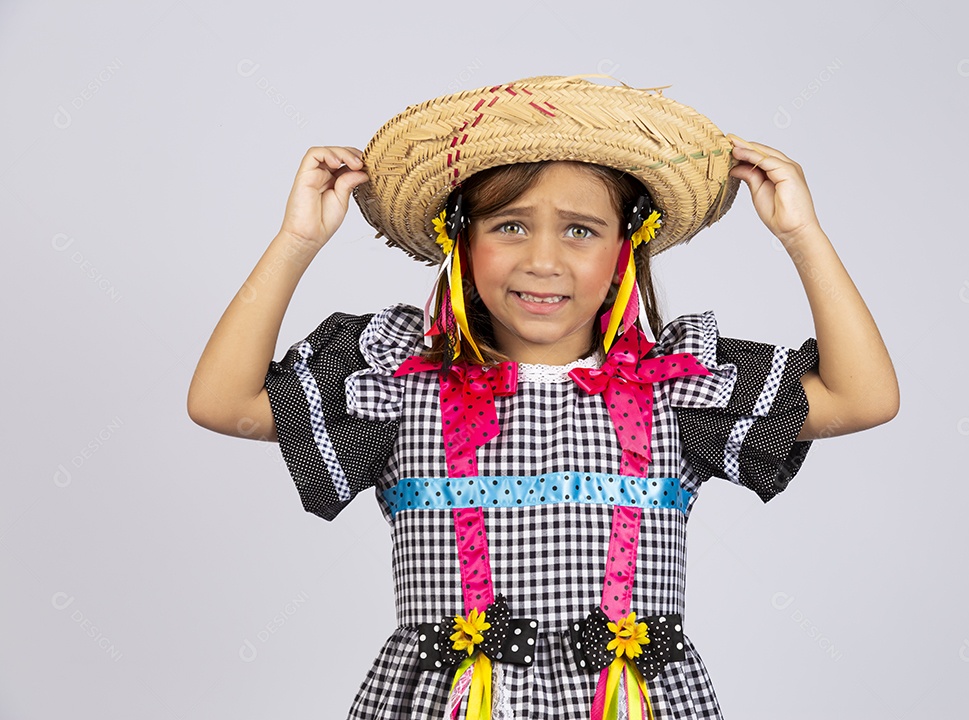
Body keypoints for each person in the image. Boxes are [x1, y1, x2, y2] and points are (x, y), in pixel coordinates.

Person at [188, 75, 898, 720]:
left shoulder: (676, 390)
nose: (544, 261)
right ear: (462, 243)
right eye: (510, 225)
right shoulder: (401, 384)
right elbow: (222, 401)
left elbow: (862, 397)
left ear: (624, 250)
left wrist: (802, 235)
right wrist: (297, 240)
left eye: (581, 231)